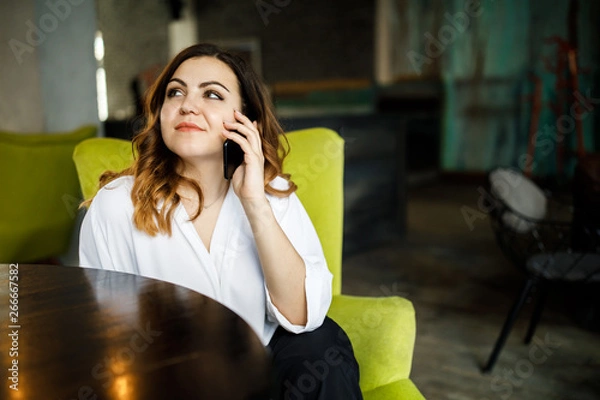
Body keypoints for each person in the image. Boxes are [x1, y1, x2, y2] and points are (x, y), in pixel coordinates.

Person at [79, 43, 362, 399]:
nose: (187, 105)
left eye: (212, 94)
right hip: (169, 376)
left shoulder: (270, 191)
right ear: (161, 112)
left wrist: (255, 203)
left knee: (323, 347)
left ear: (246, 120)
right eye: (175, 92)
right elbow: (110, 334)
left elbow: (303, 315)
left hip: (265, 368)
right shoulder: (116, 205)